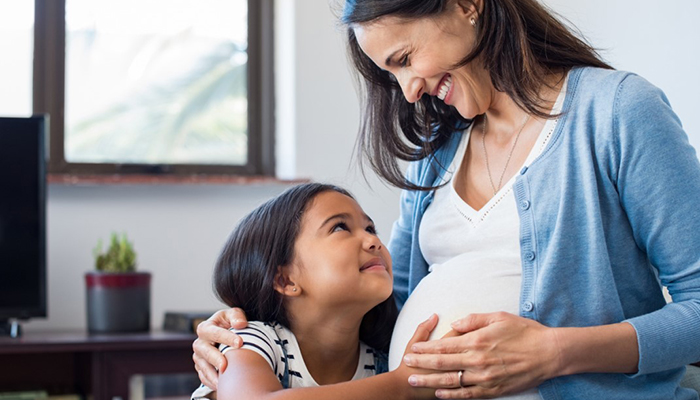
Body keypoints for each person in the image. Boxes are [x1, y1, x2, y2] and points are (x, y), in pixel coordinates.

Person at [192, 0, 700, 399]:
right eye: (390, 74)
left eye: (405, 59)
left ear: (466, 4)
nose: (409, 91)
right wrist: (248, 335)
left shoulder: (616, 113)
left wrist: (554, 353)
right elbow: (389, 306)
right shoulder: (436, 154)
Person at [190, 183, 441, 400]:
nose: (373, 241)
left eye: (370, 228)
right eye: (340, 228)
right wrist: (402, 387)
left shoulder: (382, 363)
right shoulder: (252, 342)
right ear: (286, 280)